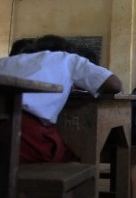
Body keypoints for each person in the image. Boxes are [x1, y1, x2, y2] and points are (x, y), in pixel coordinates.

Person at [0, 34, 122, 163]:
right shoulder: (67, 59)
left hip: (13, 128)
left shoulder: (7, 61)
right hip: (22, 133)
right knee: (74, 161)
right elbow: (115, 84)